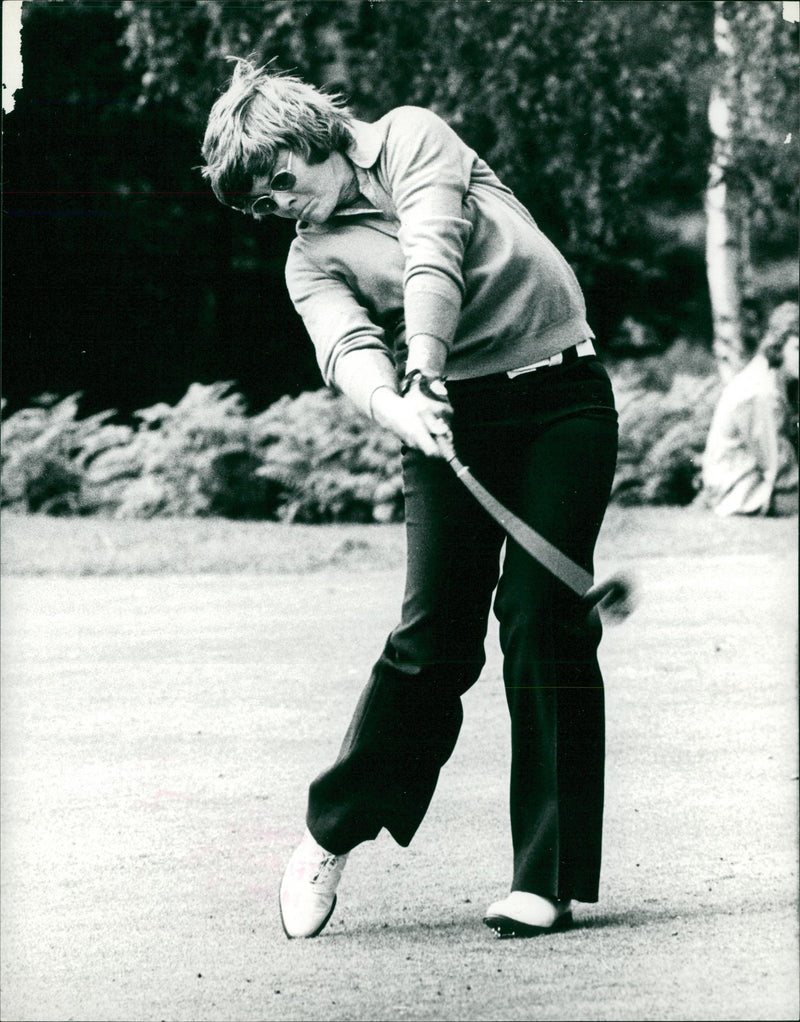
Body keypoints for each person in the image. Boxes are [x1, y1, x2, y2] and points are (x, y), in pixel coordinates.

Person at [201, 60, 619, 939]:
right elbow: (346, 344)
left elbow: (437, 249)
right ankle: (331, 832)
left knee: (544, 616)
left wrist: (420, 363)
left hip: (561, 399)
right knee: (433, 643)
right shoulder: (308, 258)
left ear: (312, 137)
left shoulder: (410, 136)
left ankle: (546, 880)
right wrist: (397, 404)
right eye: (262, 203)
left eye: (283, 179)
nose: (282, 203)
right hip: (444, 421)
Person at [701, 302, 799, 517]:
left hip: (753, 483)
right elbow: (778, 469)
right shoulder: (762, 391)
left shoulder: (776, 378)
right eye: (797, 348)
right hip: (742, 491)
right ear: (778, 345)